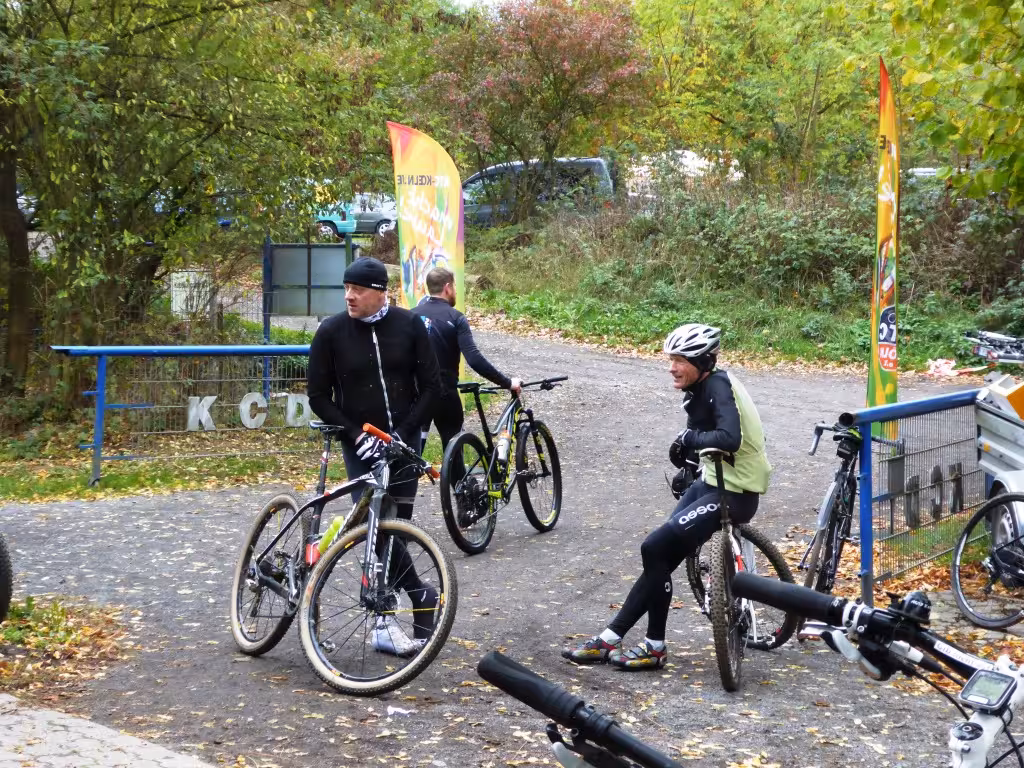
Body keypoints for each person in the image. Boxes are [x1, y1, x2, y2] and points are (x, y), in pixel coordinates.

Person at [562, 323, 771, 670]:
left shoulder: (718, 386)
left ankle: (654, 646)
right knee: (658, 556)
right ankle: (610, 638)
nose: (672, 367)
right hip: (713, 482)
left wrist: (688, 440)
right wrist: (689, 461)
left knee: (654, 548)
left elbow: (729, 438)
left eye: (680, 360)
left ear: (702, 362)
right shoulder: (702, 387)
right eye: (670, 359)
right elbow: (706, 434)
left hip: (735, 492)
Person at [307, 256, 443, 657]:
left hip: (402, 441)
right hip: (360, 443)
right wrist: (355, 434)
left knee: (397, 527)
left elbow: (431, 387)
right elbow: (318, 396)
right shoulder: (331, 331)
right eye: (346, 288)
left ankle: (398, 608)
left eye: (358, 290)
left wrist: (403, 433)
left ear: (381, 293)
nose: (349, 296)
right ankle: (406, 603)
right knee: (376, 525)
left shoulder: (410, 325)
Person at [411, 266, 521, 455]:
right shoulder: (456, 318)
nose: (455, 291)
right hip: (444, 393)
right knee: (453, 455)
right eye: (454, 287)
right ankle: (455, 472)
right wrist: (507, 382)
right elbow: (474, 359)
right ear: (447, 287)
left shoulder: (410, 315)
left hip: (415, 393)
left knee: (412, 454)